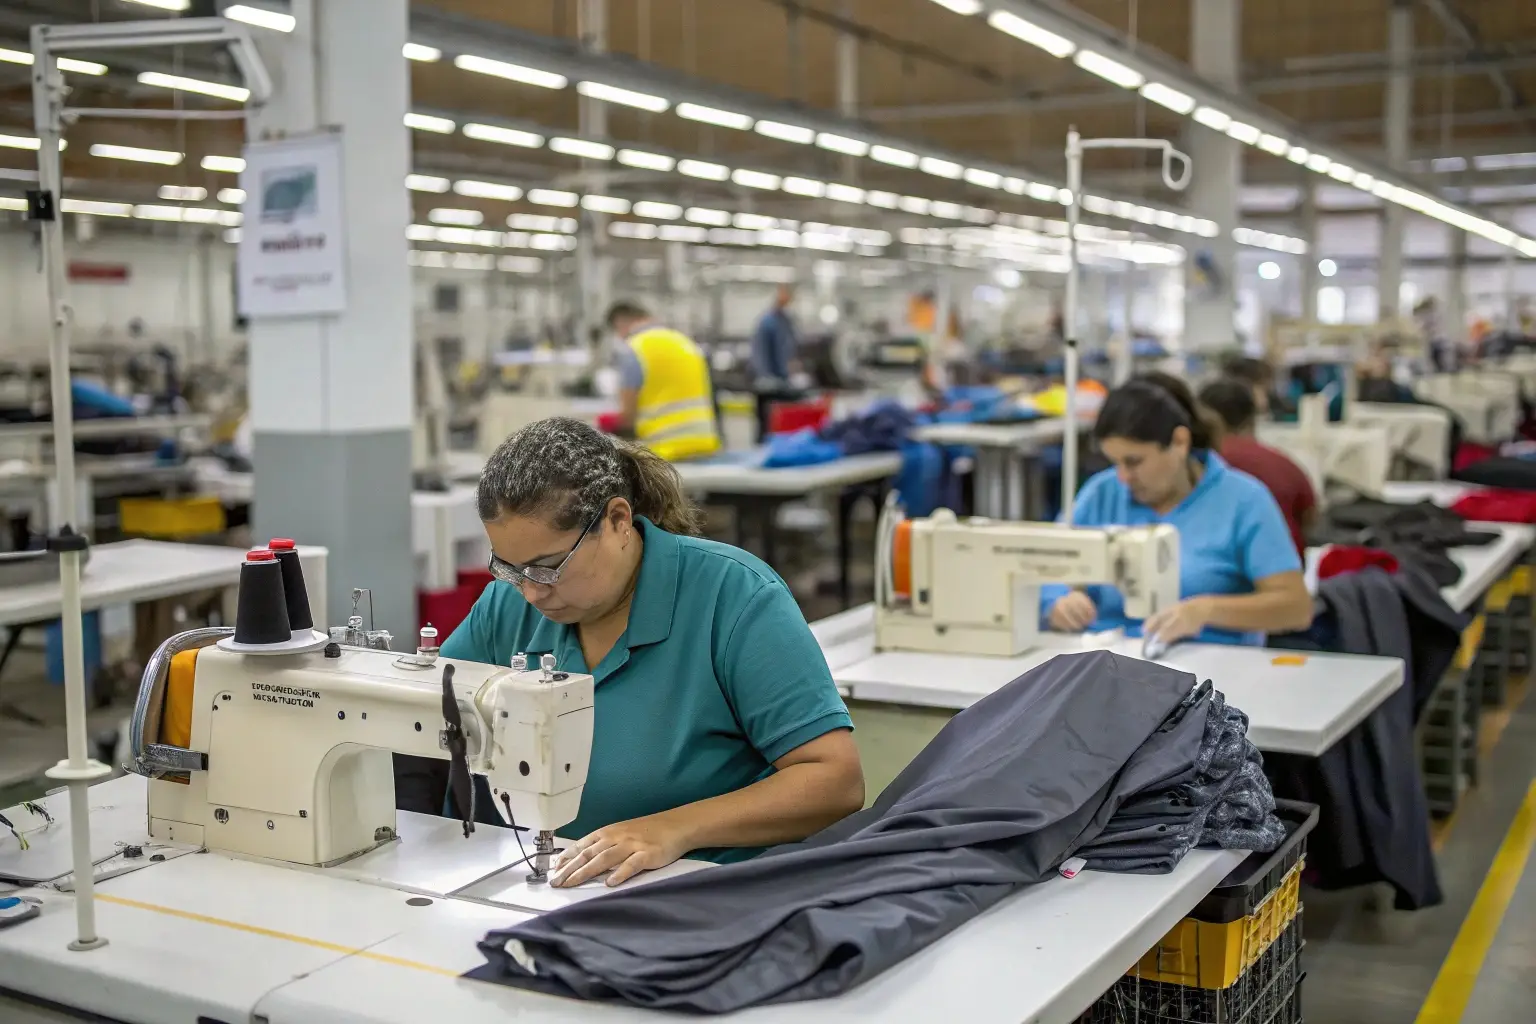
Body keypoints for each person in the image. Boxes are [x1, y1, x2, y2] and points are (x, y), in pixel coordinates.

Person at [437, 417, 865, 888]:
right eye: (508, 567)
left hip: (706, 893)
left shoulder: (734, 596)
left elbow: (835, 781)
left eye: (547, 567)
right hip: (561, 886)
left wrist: (670, 829)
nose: (531, 593)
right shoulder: (508, 607)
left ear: (618, 521)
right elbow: (432, 710)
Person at [1041, 374, 1313, 647]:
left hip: (1215, 668)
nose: (1123, 477)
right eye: (1115, 463)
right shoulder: (1102, 492)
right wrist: (1058, 602)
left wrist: (1205, 611)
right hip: (1106, 656)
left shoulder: (1243, 500)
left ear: (1180, 442)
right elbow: (1050, 569)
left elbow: (1295, 608)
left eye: (1134, 462)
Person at [1198, 378, 1318, 555]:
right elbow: (1310, 520)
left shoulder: (1201, 465)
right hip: (1290, 571)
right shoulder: (1283, 463)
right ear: (1252, 416)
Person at [608, 301, 721, 462]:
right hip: (705, 444)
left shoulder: (634, 349)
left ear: (620, 322)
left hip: (663, 449)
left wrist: (603, 423)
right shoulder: (685, 342)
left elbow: (627, 418)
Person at [750, 285, 802, 442]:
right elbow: (761, 351)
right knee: (765, 423)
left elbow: (789, 349)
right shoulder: (768, 321)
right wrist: (765, 376)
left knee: (780, 425)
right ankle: (763, 446)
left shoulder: (785, 321)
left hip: (781, 381)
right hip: (768, 381)